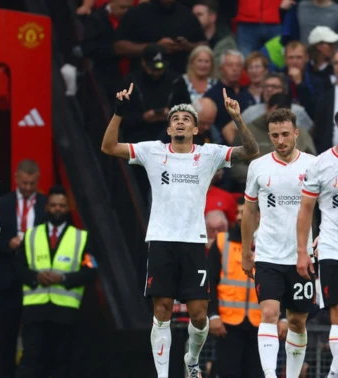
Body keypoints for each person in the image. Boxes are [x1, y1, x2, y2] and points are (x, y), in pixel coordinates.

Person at [101, 84, 259, 377]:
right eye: (176, 119)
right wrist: (119, 111)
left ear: (196, 129)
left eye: (187, 118)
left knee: (199, 315)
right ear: (169, 128)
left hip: (194, 242)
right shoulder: (152, 151)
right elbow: (109, 147)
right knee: (161, 309)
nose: (180, 121)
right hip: (161, 240)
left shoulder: (208, 154)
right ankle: (162, 375)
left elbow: (252, 150)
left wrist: (236, 118)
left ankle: (192, 359)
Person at [241, 108, 316, 378]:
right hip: (268, 254)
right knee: (270, 313)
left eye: (285, 134)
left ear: (296, 133)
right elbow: (249, 211)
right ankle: (270, 374)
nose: (280, 140)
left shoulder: (313, 165)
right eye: (275, 135)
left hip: (302, 257)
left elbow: (330, 204)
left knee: (296, 321)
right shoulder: (258, 167)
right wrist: (247, 251)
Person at [15, 186, 97, 378]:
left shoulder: (81, 237)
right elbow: (18, 268)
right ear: (46, 208)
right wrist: (35, 276)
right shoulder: (30, 235)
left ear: (68, 208)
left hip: (65, 312)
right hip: (35, 310)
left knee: (60, 364)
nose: (57, 209)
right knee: (31, 361)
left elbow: (91, 272)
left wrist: (64, 278)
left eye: (61, 205)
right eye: (53, 205)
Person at [0, 160, 47, 378]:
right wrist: (8, 243)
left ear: (38, 180)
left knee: (36, 336)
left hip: (36, 279)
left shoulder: (46, 205)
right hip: (8, 279)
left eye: (31, 184)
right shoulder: (0, 204)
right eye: (23, 182)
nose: (27, 187)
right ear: (16, 178)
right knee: (6, 336)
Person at [296, 137, 338, 376]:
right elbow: (305, 210)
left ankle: (333, 371)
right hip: (332, 247)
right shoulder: (321, 164)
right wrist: (303, 251)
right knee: (336, 314)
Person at [208, 197, 263, 378]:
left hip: (260, 324)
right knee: (227, 373)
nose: (240, 217)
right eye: (237, 213)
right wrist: (213, 315)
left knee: (256, 373)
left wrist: (282, 318)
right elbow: (210, 282)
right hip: (227, 324)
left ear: (258, 216)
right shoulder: (222, 241)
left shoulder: (268, 244)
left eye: (244, 212)